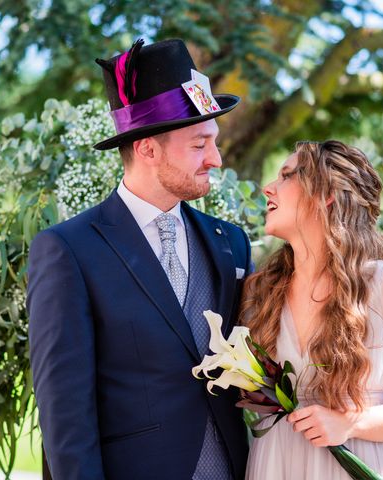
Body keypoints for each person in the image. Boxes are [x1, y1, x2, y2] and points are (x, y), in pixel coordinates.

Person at [27, 38, 252, 480]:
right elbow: (64, 413)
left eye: (214, 142)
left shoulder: (232, 243)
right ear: (148, 148)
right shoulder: (68, 250)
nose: (216, 159)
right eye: (198, 144)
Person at [241, 140, 383, 479]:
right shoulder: (261, 291)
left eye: (285, 176)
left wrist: (351, 422)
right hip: (276, 464)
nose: (269, 188)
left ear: (325, 193)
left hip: (358, 462)